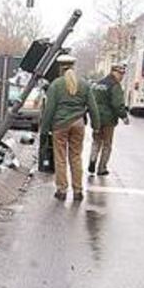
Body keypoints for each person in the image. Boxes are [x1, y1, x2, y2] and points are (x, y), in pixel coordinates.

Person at [41, 56, 100, 201]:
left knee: (60, 158)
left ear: (60, 68)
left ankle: (61, 190)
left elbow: (49, 109)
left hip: (60, 125)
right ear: (73, 67)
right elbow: (93, 107)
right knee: (76, 157)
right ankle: (78, 191)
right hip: (78, 124)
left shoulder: (56, 84)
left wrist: (44, 129)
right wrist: (96, 126)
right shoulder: (84, 85)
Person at [88, 62, 130, 176]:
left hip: (96, 118)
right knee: (107, 144)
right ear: (113, 72)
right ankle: (102, 168)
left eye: (122, 74)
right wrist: (124, 116)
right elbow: (117, 104)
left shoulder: (98, 84)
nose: (121, 77)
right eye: (120, 74)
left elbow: (91, 100)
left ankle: (92, 160)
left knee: (96, 141)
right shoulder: (114, 85)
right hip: (108, 120)